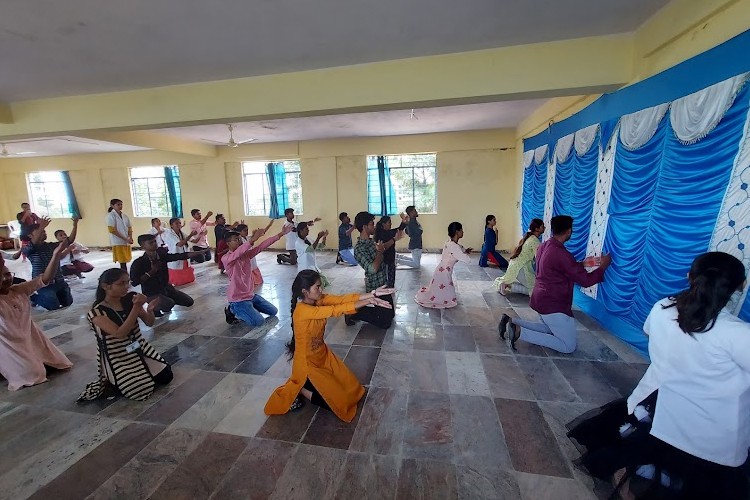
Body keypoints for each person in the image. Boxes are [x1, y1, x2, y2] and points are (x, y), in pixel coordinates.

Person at [567, 252, 750, 499]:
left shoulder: (663, 308)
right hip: (709, 434)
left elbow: (652, 334)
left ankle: (633, 472)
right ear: (741, 286)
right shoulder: (738, 334)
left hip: (656, 411)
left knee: (648, 454)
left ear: (689, 277)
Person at [265, 270, 393, 420]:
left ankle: (307, 386)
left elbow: (342, 299)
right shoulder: (302, 311)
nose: (321, 290)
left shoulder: (317, 300)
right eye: (317, 287)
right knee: (339, 403)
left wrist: (372, 294)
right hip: (308, 366)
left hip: (323, 356)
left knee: (353, 390)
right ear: (305, 292)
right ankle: (300, 389)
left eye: (320, 286)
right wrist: (368, 301)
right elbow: (335, 310)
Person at [498, 215, 610, 352]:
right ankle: (519, 332)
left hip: (540, 298)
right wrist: (603, 266)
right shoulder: (561, 253)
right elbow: (585, 280)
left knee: (548, 328)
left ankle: (512, 322)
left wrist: (582, 264)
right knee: (568, 346)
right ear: (569, 231)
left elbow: (559, 267)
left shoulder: (544, 246)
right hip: (553, 303)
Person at [78, 268, 172, 402]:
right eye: (121, 283)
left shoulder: (129, 300)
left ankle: (142, 375)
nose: (126, 287)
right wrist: (136, 307)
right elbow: (120, 333)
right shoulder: (97, 312)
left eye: (128, 282)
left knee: (166, 376)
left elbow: (149, 323)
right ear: (105, 286)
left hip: (139, 348)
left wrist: (149, 310)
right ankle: (114, 383)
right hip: (118, 356)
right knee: (140, 390)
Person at [0, 242, 73, 391]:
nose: (5, 279)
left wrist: (55, 256)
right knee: (32, 374)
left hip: (30, 337)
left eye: (7, 274)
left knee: (59, 362)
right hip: (8, 345)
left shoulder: (18, 290)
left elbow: (45, 279)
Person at [223, 224, 292, 327]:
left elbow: (262, 246)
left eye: (239, 239)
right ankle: (232, 310)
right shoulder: (226, 258)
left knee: (273, 311)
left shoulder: (246, 254)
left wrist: (281, 234)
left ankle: (249, 307)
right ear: (228, 243)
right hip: (238, 299)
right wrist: (253, 239)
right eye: (236, 240)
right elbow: (237, 254)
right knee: (259, 322)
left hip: (250, 295)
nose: (240, 241)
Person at [130, 234, 204, 317]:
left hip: (166, 288)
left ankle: (165, 299)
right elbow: (134, 282)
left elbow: (178, 256)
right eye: (151, 243)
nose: (155, 244)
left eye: (155, 241)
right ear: (143, 246)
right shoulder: (139, 263)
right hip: (151, 292)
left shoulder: (161, 255)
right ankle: (154, 308)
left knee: (189, 302)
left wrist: (198, 253)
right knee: (169, 304)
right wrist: (151, 272)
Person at [350, 211, 396, 329]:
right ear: (365, 227)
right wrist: (380, 252)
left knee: (391, 315)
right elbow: (373, 269)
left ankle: (360, 308)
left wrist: (393, 240)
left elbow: (382, 249)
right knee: (385, 323)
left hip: (383, 284)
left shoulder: (371, 241)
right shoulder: (359, 249)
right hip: (375, 288)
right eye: (372, 224)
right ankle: (352, 312)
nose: (374, 226)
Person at [23, 217, 80, 310]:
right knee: (53, 306)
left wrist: (75, 225)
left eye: (44, 231)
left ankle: (54, 295)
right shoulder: (28, 249)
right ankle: (33, 297)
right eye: (40, 231)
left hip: (59, 281)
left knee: (68, 303)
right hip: (43, 283)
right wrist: (41, 226)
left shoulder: (51, 245)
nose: (43, 232)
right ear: (30, 235)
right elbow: (34, 243)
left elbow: (69, 240)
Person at [415, 222, 473, 309]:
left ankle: (442, 298)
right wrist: (465, 255)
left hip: (441, 270)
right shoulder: (454, 246)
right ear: (457, 232)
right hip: (444, 272)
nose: (463, 232)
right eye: (461, 230)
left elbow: (460, 248)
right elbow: (466, 260)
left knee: (443, 290)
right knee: (446, 294)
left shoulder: (450, 242)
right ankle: (442, 299)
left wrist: (465, 250)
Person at [494, 218, 545, 296]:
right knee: (536, 291)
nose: (544, 228)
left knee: (534, 288)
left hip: (517, 266)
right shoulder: (534, 241)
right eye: (542, 226)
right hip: (521, 268)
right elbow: (539, 258)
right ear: (537, 229)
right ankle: (505, 285)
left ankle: (508, 285)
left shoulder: (529, 237)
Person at [375, 214, 409, 288]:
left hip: (390, 258)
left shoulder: (385, 232)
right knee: (387, 279)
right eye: (389, 222)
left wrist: (404, 222)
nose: (391, 224)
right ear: (384, 224)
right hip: (386, 260)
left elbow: (397, 230)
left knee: (390, 277)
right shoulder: (383, 234)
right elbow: (397, 230)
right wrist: (403, 222)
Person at [237, 220, 274, 286]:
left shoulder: (248, 238)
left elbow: (261, 233)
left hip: (252, 258)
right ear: (239, 232)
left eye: (247, 230)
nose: (247, 232)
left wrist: (269, 225)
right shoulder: (239, 240)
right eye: (244, 230)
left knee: (254, 271)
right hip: (245, 259)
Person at [162, 218, 197, 286]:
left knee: (184, 268)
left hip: (184, 255)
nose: (179, 225)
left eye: (180, 223)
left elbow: (194, 241)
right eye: (176, 223)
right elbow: (180, 244)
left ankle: (185, 280)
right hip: (175, 255)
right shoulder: (169, 234)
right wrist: (190, 235)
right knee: (177, 270)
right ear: (172, 225)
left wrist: (201, 235)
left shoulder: (182, 233)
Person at [106, 198, 133, 271]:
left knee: (125, 259)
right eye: (118, 204)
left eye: (121, 204)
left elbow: (129, 227)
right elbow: (112, 230)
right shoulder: (111, 215)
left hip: (126, 240)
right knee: (122, 261)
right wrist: (125, 238)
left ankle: (125, 273)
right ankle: (124, 274)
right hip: (118, 241)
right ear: (112, 205)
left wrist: (130, 237)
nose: (120, 206)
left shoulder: (124, 216)